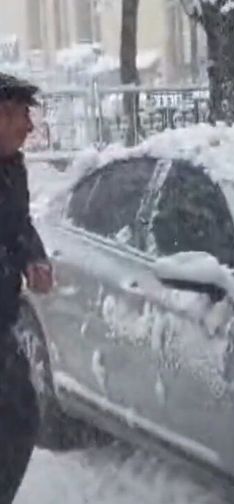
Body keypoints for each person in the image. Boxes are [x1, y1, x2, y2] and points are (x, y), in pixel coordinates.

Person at [0, 72, 54, 504]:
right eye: (22, 115)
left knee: (20, 416)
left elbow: (19, 226)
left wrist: (33, 256)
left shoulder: (12, 168)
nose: (30, 127)